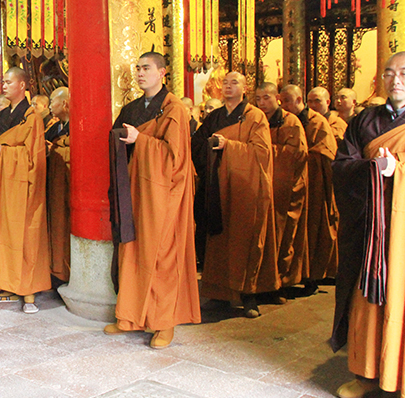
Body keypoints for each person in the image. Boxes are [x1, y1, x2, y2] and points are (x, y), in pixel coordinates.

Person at [331, 51, 405, 398]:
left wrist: (399, 170)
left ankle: (403, 380)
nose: (396, 79)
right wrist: (372, 170)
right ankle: (365, 374)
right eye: (390, 73)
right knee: (370, 296)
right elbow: (342, 165)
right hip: (371, 225)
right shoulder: (364, 120)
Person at [106, 53, 200, 348]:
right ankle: (130, 317)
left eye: (146, 68)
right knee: (132, 251)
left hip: (163, 193)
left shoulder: (174, 110)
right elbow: (115, 140)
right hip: (133, 190)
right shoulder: (131, 108)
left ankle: (164, 323)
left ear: (162, 72)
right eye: (138, 68)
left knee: (162, 255)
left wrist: (141, 141)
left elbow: (176, 157)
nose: (140, 73)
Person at [192, 72, 279, 318]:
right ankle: (219, 294)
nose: (229, 86)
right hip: (217, 186)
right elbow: (197, 143)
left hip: (244, 187)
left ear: (244, 88)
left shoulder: (255, 116)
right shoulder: (215, 117)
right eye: (226, 82)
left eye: (235, 82)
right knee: (218, 240)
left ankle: (248, 296)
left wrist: (228, 146)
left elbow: (261, 153)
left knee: (245, 238)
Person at [0, 67, 50, 314]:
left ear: (22, 86)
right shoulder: (0, 117)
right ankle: (6, 285)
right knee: (5, 234)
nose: (4, 85)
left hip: (24, 186)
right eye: (3, 81)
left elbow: (34, 157)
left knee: (26, 235)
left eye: (9, 82)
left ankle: (29, 291)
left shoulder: (31, 118)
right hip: (4, 182)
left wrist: (5, 153)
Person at [280, 84, 339, 295]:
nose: (283, 105)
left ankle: (312, 276)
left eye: (287, 100)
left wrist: (300, 156)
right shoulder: (286, 121)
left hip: (314, 186)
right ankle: (291, 274)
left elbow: (327, 151)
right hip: (293, 183)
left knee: (313, 231)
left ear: (298, 100)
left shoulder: (316, 121)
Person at [255, 83, 309, 290]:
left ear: (277, 98)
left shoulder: (290, 121)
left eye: (266, 98)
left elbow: (297, 153)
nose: (262, 103)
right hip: (262, 186)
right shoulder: (256, 120)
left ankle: (280, 281)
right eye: (258, 99)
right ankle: (261, 281)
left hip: (285, 186)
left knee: (283, 234)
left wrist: (263, 151)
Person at [46, 86, 71, 284]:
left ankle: (66, 272)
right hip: (53, 186)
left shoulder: (75, 126)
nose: (49, 106)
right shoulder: (54, 128)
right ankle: (55, 270)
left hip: (68, 188)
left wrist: (56, 149)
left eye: (52, 101)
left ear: (64, 103)